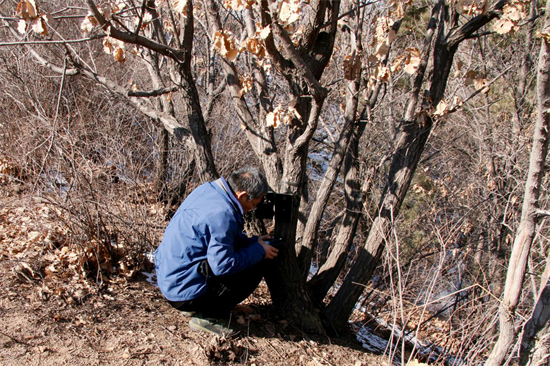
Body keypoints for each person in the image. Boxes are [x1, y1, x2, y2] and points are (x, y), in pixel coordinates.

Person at [154, 167, 279, 336]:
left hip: (170, 281)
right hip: (183, 293)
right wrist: (259, 251)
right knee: (257, 265)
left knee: (250, 254)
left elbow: (219, 239)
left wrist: (253, 241)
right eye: (253, 204)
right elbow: (223, 265)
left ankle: (195, 304)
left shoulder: (209, 191)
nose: (252, 209)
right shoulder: (224, 214)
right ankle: (206, 316)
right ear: (242, 195)